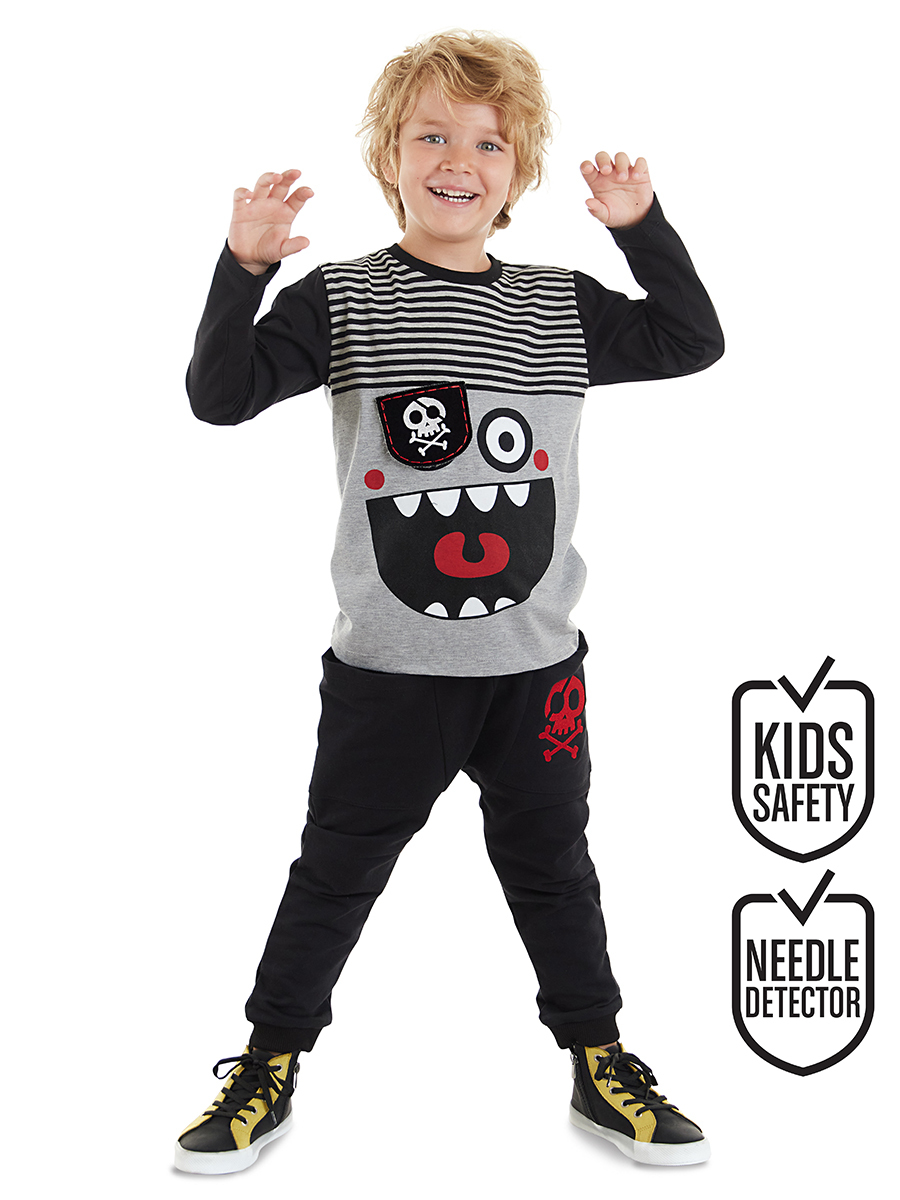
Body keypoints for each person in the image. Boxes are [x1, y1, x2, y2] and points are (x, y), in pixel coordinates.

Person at [175, 29, 724, 1174]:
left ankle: (598, 1058)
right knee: (335, 873)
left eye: (487, 142)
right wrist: (242, 269)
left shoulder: (561, 306)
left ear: (518, 171)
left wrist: (641, 228)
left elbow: (692, 340)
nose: (457, 160)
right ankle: (267, 1062)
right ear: (390, 155)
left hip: (536, 672)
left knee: (555, 869)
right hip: (388, 677)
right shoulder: (347, 299)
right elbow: (220, 395)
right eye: (430, 135)